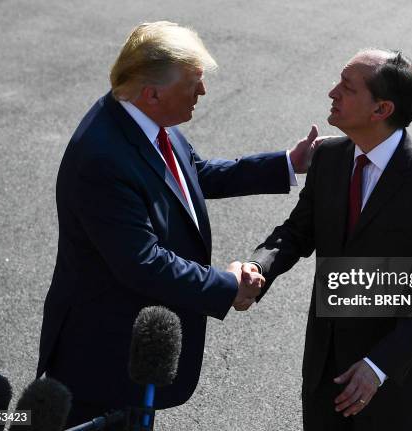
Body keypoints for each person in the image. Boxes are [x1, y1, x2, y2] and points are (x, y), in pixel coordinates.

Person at [35, 21, 320, 427]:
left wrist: (287, 164)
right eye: (193, 84)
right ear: (153, 93)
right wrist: (226, 286)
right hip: (103, 358)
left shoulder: (137, 118)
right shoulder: (103, 158)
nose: (202, 93)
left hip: (130, 352)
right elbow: (143, 262)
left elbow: (194, 174)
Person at [246, 49, 412, 430]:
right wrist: (257, 266)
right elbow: (297, 232)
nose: (333, 92)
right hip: (325, 367)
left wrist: (377, 366)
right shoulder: (329, 157)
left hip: (395, 377)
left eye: (346, 87)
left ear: (381, 110)